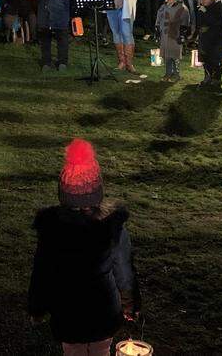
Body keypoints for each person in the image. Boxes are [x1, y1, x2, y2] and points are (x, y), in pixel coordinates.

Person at [28, 139, 140, 356]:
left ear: (64, 193)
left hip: (67, 311)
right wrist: (129, 304)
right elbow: (124, 270)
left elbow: (42, 271)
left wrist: (37, 307)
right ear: (97, 191)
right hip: (103, 309)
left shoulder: (52, 230)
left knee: (73, 351)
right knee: (101, 350)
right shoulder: (111, 228)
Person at [194, 0, 222, 90]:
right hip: (205, 41)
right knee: (206, 61)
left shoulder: (219, 9)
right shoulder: (203, 9)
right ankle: (207, 78)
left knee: (215, 62)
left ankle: (216, 80)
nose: (202, 0)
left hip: (216, 42)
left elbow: (218, 25)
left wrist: (205, 14)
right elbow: (200, 24)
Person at [155, 0, 189, 83]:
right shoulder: (163, 7)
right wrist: (157, 29)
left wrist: (182, 34)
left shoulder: (182, 8)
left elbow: (185, 23)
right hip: (165, 35)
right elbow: (159, 18)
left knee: (175, 55)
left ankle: (177, 74)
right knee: (167, 55)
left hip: (175, 35)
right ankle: (168, 72)